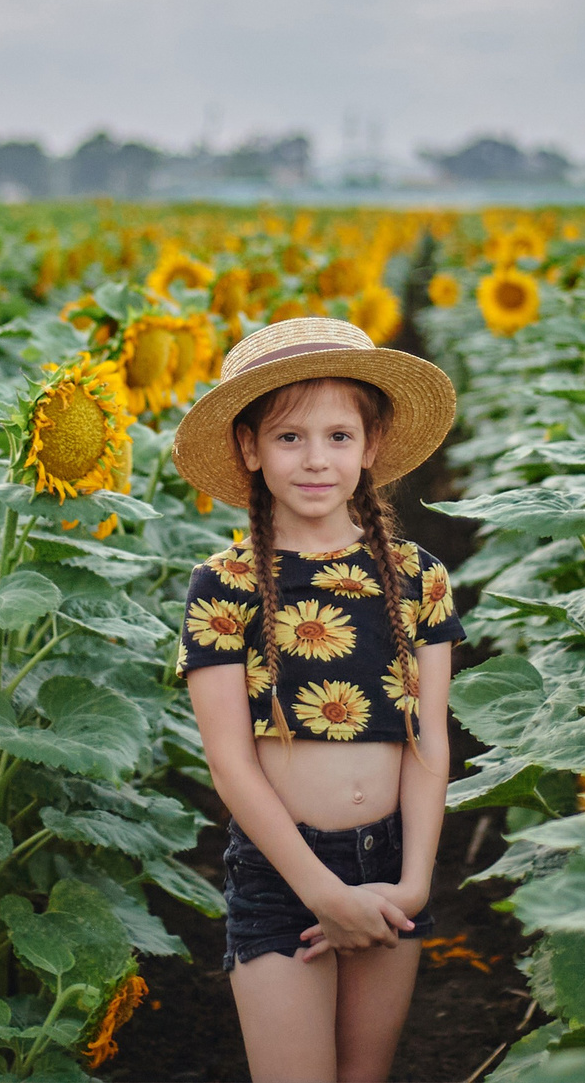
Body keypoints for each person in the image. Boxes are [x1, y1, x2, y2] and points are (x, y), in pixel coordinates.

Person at [173, 316, 464, 1083]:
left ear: (370, 448)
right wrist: (320, 890)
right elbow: (232, 764)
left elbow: (429, 739)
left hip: (392, 860)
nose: (315, 460)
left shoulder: (418, 575)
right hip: (283, 870)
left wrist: (414, 881)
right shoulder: (223, 585)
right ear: (249, 448)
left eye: (339, 437)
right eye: (289, 437)